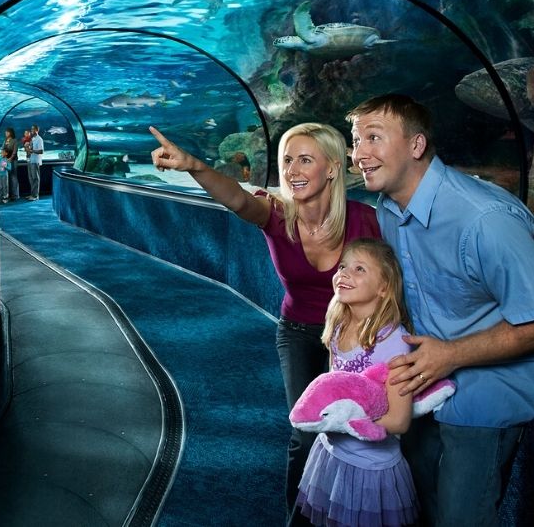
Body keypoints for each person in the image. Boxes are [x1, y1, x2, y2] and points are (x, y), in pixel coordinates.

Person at [346, 93, 534, 526]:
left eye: (373, 137)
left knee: (460, 517)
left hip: (488, 387)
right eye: (354, 141)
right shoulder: (387, 209)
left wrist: (451, 355)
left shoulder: (484, 219)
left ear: (416, 145)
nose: (359, 154)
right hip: (426, 380)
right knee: (414, 498)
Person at [149, 122, 381, 523]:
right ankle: (300, 516)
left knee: (355, 433)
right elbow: (238, 200)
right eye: (287, 160)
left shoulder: (366, 220)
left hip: (355, 336)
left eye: (305, 160)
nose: (292, 170)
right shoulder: (276, 214)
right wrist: (192, 165)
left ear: (331, 169)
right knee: (306, 430)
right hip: (298, 332)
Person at [295, 237, 418, 527]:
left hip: (369, 469)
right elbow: (331, 385)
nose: (345, 273)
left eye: (360, 269)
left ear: (384, 288)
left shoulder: (394, 342)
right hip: (330, 454)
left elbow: (400, 421)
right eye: (343, 266)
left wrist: (346, 422)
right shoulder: (337, 324)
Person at [0, 127, 19, 204]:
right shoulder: (5, 140)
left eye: (7, 132)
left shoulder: (15, 140)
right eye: (5, 132)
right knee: (6, 178)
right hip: (6, 160)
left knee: (13, 177)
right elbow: (2, 149)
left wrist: (11, 158)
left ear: (10, 133)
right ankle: (6, 195)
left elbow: (15, 151)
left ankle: (15, 195)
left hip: (13, 160)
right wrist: (2, 156)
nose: (6, 133)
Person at [27, 124, 44, 200]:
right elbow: (30, 149)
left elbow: (41, 151)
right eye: (31, 129)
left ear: (37, 130)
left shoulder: (39, 139)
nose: (31, 131)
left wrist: (32, 150)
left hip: (35, 161)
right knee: (31, 178)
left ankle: (35, 196)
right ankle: (32, 194)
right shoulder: (33, 139)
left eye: (33, 129)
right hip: (30, 160)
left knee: (35, 178)